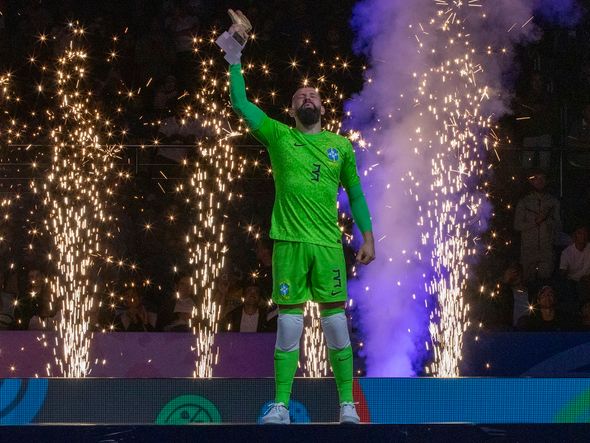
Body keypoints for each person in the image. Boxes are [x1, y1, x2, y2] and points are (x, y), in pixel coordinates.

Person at [223, 10, 375, 425]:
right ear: (291, 110)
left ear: (323, 107)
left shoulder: (340, 147)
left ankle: (347, 406)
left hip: (328, 246)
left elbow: (357, 194)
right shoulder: (278, 135)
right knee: (289, 329)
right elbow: (239, 102)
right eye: (300, 97)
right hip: (288, 243)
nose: (308, 99)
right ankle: (281, 406)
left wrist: (369, 237)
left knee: (336, 328)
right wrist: (235, 53)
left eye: (314, 96)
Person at [514, 170, 561, 284]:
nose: (539, 182)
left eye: (542, 179)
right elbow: (517, 225)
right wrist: (535, 221)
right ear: (531, 182)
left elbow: (558, 224)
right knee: (527, 282)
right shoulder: (524, 202)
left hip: (546, 250)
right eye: (536, 179)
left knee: (545, 283)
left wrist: (547, 220)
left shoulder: (553, 202)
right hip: (528, 251)